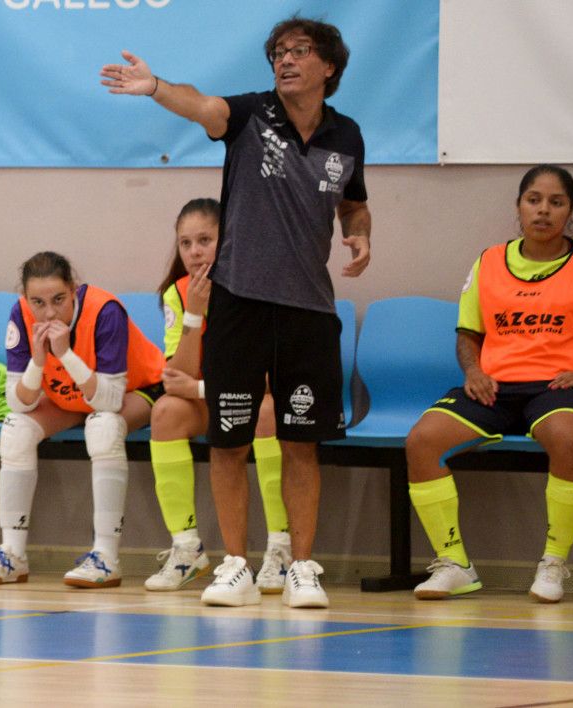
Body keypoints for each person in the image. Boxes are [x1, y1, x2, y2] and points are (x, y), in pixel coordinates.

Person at [102, 15, 372, 609]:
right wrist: (155, 87)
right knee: (228, 441)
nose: (286, 59)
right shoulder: (252, 115)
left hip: (308, 311)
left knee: (302, 442)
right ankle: (234, 566)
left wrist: (359, 234)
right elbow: (201, 106)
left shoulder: (346, 136)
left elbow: (353, 205)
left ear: (329, 66)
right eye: (279, 51)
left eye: (300, 51)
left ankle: (301, 567)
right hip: (239, 306)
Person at [405, 165, 573, 604]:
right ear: (519, 207)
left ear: (570, 211)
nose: (543, 211)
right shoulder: (490, 261)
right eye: (533, 200)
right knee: (423, 440)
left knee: (566, 437)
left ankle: (553, 564)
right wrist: (474, 372)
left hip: (562, 389)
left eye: (556, 202)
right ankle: (454, 564)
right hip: (495, 387)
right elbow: (468, 334)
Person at [0, 251, 164, 589]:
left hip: (138, 387)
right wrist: (38, 360)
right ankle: (12, 555)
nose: (48, 312)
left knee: (103, 427)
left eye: (58, 300)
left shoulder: (106, 311)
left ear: (74, 289)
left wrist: (65, 355)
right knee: (15, 430)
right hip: (75, 394)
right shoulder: (19, 314)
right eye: (38, 302)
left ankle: (106, 557)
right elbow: (17, 402)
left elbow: (109, 399)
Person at [145, 198, 292, 600]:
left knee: (267, 413)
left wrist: (199, 389)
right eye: (185, 243)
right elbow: (179, 374)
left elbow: (265, 381)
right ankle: (187, 549)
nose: (194, 252)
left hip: (249, 396)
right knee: (166, 413)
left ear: (226, 241)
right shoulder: (178, 293)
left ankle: (280, 548)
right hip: (214, 395)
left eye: (205, 240)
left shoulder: (256, 285)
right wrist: (194, 314)